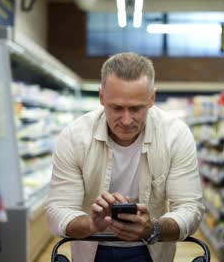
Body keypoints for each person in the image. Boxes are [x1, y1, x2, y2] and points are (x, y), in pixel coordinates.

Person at [45, 52, 204, 262]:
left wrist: (153, 228)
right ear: (101, 98)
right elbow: (58, 210)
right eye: (117, 108)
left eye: (136, 108)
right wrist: (92, 225)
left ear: (151, 99)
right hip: (92, 248)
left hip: (151, 250)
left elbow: (190, 208)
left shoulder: (175, 135)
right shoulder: (75, 137)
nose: (127, 120)